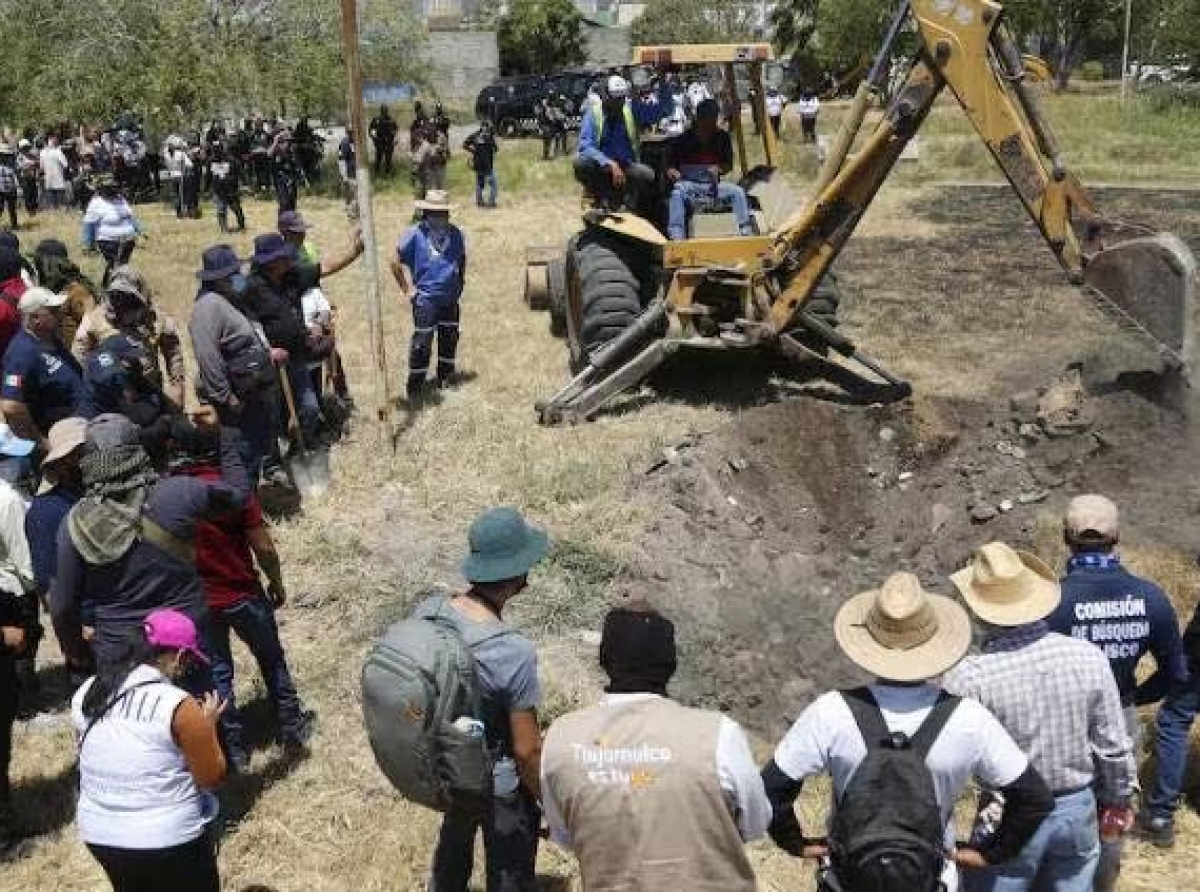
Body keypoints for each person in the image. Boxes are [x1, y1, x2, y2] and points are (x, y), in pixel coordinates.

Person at [762, 572, 1053, 892]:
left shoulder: (830, 711)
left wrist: (796, 842)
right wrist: (992, 853)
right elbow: (1034, 798)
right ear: (934, 643)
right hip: (932, 880)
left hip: (847, 881)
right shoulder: (968, 718)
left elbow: (771, 788)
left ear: (870, 644)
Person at [944, 543, 1135, 892]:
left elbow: (949, 762)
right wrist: (1118, 801)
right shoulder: (1087, 656)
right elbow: (1113, 746)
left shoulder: (968, 677)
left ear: (976, 610)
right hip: (1077, 808)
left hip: (1007, 812)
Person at [542, 603, 772, 890]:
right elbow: (755, 823)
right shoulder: (719, 734)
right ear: (671, 664)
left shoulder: (562, 738)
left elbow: (566, 835)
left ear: (603, 659)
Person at [1046, 494, 1186, 882]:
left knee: (1063, 808)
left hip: (1061, 719)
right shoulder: (1151, 597)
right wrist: (1136, 697)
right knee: (1113, 811)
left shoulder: (1051, 599)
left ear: (1065, 538)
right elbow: (1176, 672)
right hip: (1120, 715)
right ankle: (1103, 882)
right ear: (1117, 537)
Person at [50, 413, 249, 674]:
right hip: (183, 645)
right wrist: (222, 437)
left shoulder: (74, 523)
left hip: (120, 655)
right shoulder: (179, 492)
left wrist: (77, 652)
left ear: (88, 462)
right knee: (198, 700)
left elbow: (63, 606)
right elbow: (239, 497)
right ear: (138, 451)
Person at [415, 506, 548, 892]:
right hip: (497, 775)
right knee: (510, 866)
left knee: (455, 835)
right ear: (518, 574)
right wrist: (547, 802)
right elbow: (526, 750)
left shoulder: (431, 611)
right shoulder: (512, 651)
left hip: (448, 755)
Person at [171, 422, 314, 772]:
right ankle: (292, 728)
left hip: (201, 603)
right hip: (242, 592)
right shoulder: (232, 491)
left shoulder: (172, 498)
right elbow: (263, 546)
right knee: (271, 659)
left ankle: (233, 751)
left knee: (218, 675)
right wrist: (276, 581)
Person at [73, 609, 226, 892]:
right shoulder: (176, 704)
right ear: (179, 656)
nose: (186, 669)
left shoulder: (89, 691)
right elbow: (210, 777)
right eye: (189, 661)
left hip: (100, 832)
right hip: (167, 837)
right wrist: (207, 728)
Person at [189, 245, 279, 484]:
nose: (238, 276)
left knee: (253, 452)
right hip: (234, 400)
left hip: (249, 392)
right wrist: (227, 398)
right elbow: (207, 357)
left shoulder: (229, 297)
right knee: (241, 456)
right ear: (219, 278)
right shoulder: (208, 306)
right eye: (233, 273)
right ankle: (245, 501)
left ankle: (252, 496)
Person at [24, 418, 88, 689]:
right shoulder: (46, 512)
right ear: (63, 462)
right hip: (86, 629)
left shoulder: (92, 496)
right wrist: (72, 640)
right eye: (82, 453)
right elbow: (49, 587)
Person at [73, 266, 186, 409]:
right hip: (112, 399)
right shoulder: (93, 321)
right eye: (117, 296)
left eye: (128, 297)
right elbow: (79, 359)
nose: (122, 302)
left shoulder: (156, 319)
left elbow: (173, 351)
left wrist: (177, 386)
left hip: (150, 394)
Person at [390, 190, 466, 399]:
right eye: (435, 213)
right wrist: (408, 289)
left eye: (443, 213)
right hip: (425, 299)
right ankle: (415, 387)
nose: (440, 217)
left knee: (449, 337)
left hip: (450, 298)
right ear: (427, 212)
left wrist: (460, 282)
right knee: (422, 343)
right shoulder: (416, 234)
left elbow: (461, 258)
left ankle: (445, 378)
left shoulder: (456, 234)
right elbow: (394, 260)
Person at [246, 233, 319, 445]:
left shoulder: (291, 277)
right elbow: (247, 325)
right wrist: (267, 351)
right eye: (282, 257)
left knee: (310, 407)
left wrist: (355, 249)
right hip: (271, 364)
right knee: (276, 413)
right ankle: (283, 449)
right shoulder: (251, 288)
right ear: (270, 262)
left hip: (296, 355)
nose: (288, 259)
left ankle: (304, 443)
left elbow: (325, 268)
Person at [0, 287, 85, 449]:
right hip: (60, 437)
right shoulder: (22, 352)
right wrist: (41, 442)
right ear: (34, 318)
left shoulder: (51, 339)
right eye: (53, 311)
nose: (60, 313)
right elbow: (11, 406)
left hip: (78, 425)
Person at [574, 74, 668, 209]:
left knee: (647, 174)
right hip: (601, 166)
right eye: (616, 99)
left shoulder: (631, 109)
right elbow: (585, 146)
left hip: (625, 165)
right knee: (581, 163)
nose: (620, 102)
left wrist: (663, 81)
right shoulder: (593, 114)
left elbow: (662, 111)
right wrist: (609, 163)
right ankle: (595, 193)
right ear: (605, 96)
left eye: (622, 98)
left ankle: (623, 198)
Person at [666, 98, 754, 241]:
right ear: (698, 117)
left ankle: (745, 233)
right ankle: (677, 236)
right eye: (706, 117)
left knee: (737, 192)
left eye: (713, 117)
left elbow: (728, 165)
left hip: (713, 185)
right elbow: (670, 165)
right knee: (676, 194)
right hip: (689, 184)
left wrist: (719, 169)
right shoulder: (683, 140)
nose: (710, 122)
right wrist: (672, 171)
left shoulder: (722, 138)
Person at [0, 426, 35, 725]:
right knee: (21, 647)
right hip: (14, 588)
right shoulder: (9, 499)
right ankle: (23, 704)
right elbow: (22, 556)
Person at [31, 238, 97, 351]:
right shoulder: (52, 288)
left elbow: (93, 325)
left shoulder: (77, 291)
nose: (37, 268)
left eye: (39, 263)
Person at [82, 174, 143, 287]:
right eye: (109, 187)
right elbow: (89, 225)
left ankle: (113, 286)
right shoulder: (96, 203)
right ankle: (112, 287)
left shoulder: (121, 199)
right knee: (115, 265)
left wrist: (140, 232)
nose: (113, 189)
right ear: (102, 188)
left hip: (128, 240)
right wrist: (88, 245)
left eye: (114, 187)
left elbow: (130, 217)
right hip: (108, 241)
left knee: (122, 265)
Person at [277, 210, 364, 280]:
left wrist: (352, 244)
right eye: (297, 232)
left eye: (303, 230)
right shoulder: (282, 256)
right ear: (285, 232)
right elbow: (324, 269)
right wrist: (354, 252)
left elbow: (326, 260)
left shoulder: (308, 247)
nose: (302, 235)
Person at [209, 143, 244, 234]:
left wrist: (240, 184)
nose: (216, 151)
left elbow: (240, 172)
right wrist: (207, 188)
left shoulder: (231, 160)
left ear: (222, 149)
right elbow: (209, 175)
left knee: (236, 208)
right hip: (218, 190)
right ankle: (224, 228)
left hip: (231, 189)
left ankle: (241, 225)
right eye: (214, 149)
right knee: (221, 209)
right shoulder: (211, 161)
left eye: (218, 149)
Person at [463, 121, 499, 209]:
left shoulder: (475, 135)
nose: (486, 128)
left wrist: (473, 151)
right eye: (486, 127)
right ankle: (490, 203)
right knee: (493, 184)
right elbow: (495, 149)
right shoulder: (489, 136)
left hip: (478, 164)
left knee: (480, 184)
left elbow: (465, 144)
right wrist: (474, 151)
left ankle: (480, 202)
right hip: (487, 165)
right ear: (486, 127)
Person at [39, 137, 69, 210]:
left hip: (48, 179)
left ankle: (53, 209)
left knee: (51, 199)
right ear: (56, 143)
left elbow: (41, 167)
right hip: (58, 178)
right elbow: (65, 164)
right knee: (60, 199)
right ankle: (61, 209)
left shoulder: (42, 152)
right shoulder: (58, 152)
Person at [368, 106, 399, 176]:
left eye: (386, 111)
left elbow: (396, 129)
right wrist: (374, 138)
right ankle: (377, 173)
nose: (385, 112)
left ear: (387, 111)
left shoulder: (391, 120)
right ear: (381, 111)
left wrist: (395, 137)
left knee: (388, 159)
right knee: (378, 159)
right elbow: (371, 130)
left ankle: (387, 173)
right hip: (380, 142)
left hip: (389, 143)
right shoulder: (376, 120)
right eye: (383, 111)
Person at [15, 141, 39, 219]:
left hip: (32, 177)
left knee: (34, 194)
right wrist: (32, 164)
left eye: (27, 147)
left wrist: (34, 165)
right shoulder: (19, 157)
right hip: (24, 178)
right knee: (27, 194)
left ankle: (34, 210)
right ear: (21, 148)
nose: (26, 149)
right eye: (24, 147)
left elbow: (37, 164)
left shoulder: (32, 156)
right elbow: (20, 167)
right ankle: (30, 211)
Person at [0, 144, 19, 231]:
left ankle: (14, 225)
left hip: (11, 189)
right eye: (4, 154)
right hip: (1, 190)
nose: (5, 156)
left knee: (12, 209)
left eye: (7, 154)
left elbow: (16, 175)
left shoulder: (12, 163)